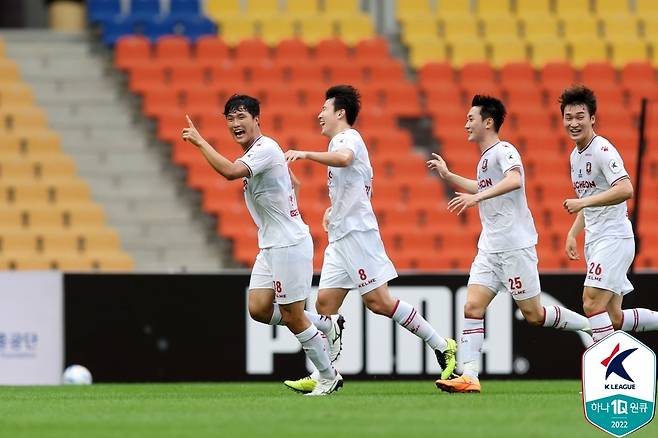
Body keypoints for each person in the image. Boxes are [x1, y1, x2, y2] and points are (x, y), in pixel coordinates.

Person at [282, 85, 457, 393]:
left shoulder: (348, 138)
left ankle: (442, 345)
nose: (319, 114)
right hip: (340, 235)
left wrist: (307, 153)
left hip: (358, 235)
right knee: (324, 305)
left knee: (378, 302)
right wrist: (332, 211)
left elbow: (345, 159)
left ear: (340, 113)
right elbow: (352, 183)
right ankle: (325, 372)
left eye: (324, 109)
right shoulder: (340, 140)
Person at [181, 94, 343, 396]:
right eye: (230, 118)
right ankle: (326, 324)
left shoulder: (265, 148)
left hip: (288, 244)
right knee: (258, 308)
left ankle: (327, 376)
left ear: (257, 119)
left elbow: (230, 172)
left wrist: (201, 142)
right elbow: (293, 182)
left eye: (241, 116)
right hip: (270, 245)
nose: (235, 124)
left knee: (293, 316)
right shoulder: (264, 152)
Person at [431, 95, 591, 394]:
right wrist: (449, 175)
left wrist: (476, 198)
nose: (466, 124)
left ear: (488, 122)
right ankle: (470, 376)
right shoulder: (485, 158)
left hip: (515, 246)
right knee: (472, 306)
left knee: (534, 314)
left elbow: (515, 180)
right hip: (490, 247)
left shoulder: (504, 150)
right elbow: (485, 187)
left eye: (471, 118)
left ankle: (592, 327)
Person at [560, 85, 658, 342]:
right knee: (614, 317)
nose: (574, 123)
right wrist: (573, 233)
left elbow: (626, 189)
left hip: (614, 238)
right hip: (596, 239)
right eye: (568, 117)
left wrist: (582, 204)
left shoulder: (602, 150)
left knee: (591, 303)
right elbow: (589, 199)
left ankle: (606, 365)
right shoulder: (574, 156)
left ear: (592, 118)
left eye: (580, 116)